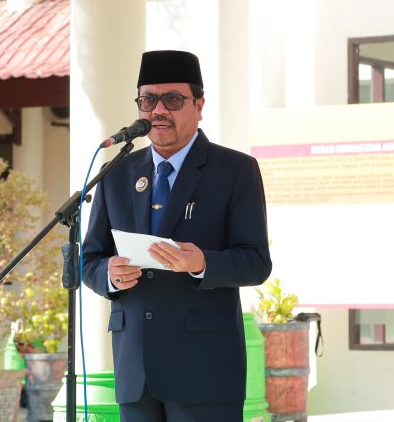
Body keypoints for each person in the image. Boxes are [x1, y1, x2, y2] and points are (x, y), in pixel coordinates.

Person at [81, 50, 272, 421]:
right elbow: (90, 258)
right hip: (135, 369)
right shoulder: (115, 174)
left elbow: (256, 262)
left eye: (172, 99)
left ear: (199, 105)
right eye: (148, 99)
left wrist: (202, 262)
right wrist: (108, 274)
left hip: (205, 371)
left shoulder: (235, 170)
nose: (158, 110)